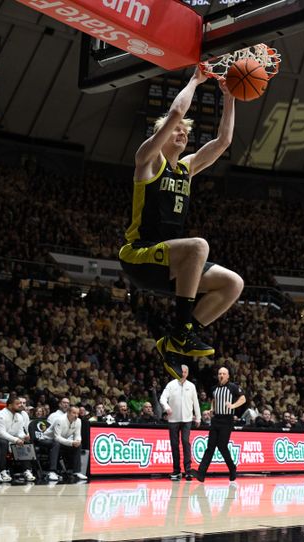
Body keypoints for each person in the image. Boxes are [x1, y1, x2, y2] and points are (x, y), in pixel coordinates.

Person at [118, 64, 242, 380]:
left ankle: (174, 342)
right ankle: (182, 327)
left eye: (186, 131)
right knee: (198, 245)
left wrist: (229, 97)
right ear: (161, 134)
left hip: (171, 263)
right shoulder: (148, 159)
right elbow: (175, 112)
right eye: (177, 130)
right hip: (140, 255)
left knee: (233, 284)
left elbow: (223, 142)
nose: (183, 132)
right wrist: (195, 80)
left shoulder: (186, 168)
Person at [196, 367, 245, 483]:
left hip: (227, 420)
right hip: (216, 419)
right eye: (219, 373)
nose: (221, 375)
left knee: (222, 446)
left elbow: (243, 399)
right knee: (210, 446)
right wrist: (211, 409)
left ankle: (232, 468)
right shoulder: (214, 388)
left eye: (223, 373)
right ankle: (201, 473)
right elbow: (213, 400)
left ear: (228, 376)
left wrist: (233, 406)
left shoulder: (233, 387)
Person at [160, 364, 199, 481]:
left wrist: (198, 417)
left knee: (186, 443)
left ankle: (188, 471)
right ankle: (176, 471)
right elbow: (162, 398)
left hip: (187, 419)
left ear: (188, 373)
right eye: (181, 371)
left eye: (185, 372)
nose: (183, 373)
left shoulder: (191, 386)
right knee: (174, 445)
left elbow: (195, 402)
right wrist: (166, 407)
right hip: (173, 420)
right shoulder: (171, 385)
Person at [0, 395, 34, 482]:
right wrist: (16, 440)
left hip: (8, 440)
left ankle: (26, 470)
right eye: (17, 404)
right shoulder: (0, 415)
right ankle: (2, 471)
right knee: (3, 442)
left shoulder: (19, 416)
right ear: (10, 405)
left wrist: (24, 437)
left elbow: (19, 432)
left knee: (25, 444)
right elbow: (1, 433)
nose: (20, 405)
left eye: (20, 403)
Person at [38, 406, 87, 482]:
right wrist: (71, 443)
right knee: (56, 443)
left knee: (78, 445)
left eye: (77, 413)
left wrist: (78, 441)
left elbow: (77, 435)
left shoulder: (78, 421)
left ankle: (76, 471)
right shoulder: (60, 420)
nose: (76, 415)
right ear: (68, 412)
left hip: (59, 441)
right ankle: (52, 472)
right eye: (74, 413)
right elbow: (57, 437)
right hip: (46, 440)